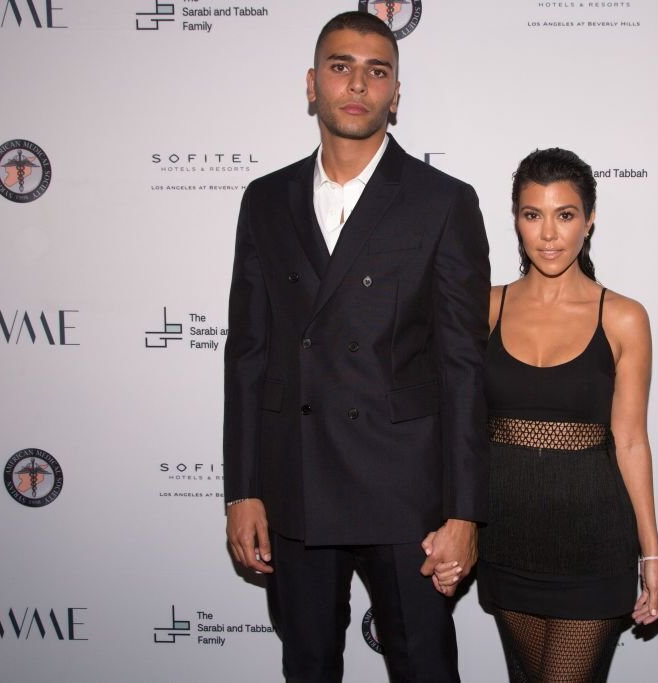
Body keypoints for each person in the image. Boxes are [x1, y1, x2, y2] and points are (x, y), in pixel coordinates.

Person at [222, 11, 490, 682]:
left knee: (425, 667)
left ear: (394, 95)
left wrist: (465, 510)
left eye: (377, 72)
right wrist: (243, 488)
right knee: (307, 665)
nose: (357, 85)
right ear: (312, 84)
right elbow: (249, 351)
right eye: (341, 67)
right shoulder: (265, 199)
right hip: (296, 483)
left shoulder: (442, 202)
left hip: (407, 492)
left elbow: (463, 366)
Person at [436, 148, 658, 682]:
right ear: (515, 219)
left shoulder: (624, 318)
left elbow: (631, 441)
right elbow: (454, 424)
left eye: (565, 215)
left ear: (589, 222)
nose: (548, 234)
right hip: (506, 535)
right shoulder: (483, 307)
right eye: (532, 214)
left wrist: (651, 555)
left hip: (594, 541)